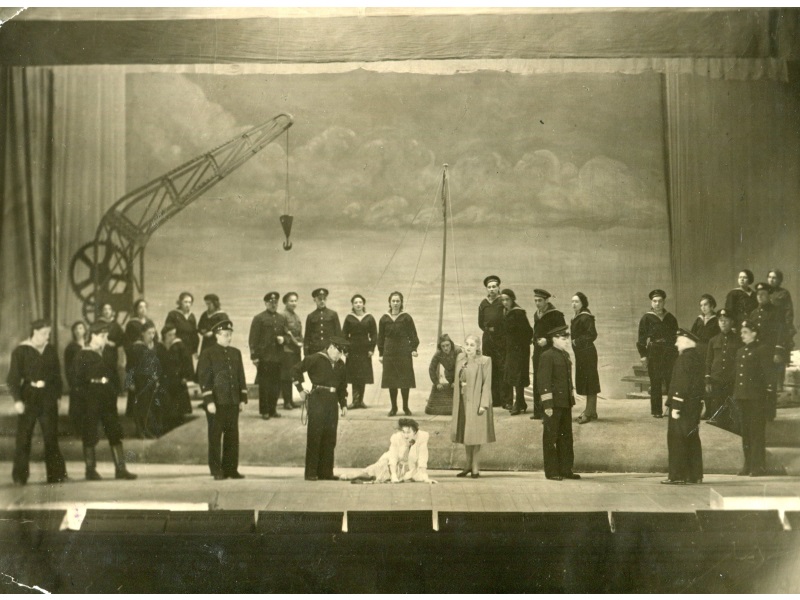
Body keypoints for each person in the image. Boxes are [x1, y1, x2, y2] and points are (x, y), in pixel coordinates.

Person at [7, 319, 68, 485]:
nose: (47, 337)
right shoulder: (21, 350)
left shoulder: (50, 350)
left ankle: (56, 475)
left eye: (48, 333)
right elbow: (12, 379)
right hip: (29, 396)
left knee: (51, 436)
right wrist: (17, 400)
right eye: (44, 333)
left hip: (48, 397)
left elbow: (56, 376)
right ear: (34, 332)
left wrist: (58, 397)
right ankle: (20, 476)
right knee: (24, 437)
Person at [74, 321, 136, 480]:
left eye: (106, 336)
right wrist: (84, 400)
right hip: (91, 396)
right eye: (102, 336)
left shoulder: (107, 352)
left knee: (114, 430)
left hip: (107, 395)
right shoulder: (83, 354)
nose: (105, 339)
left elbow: (113, 373)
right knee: (90, 431)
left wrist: (114, 391)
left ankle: (120, 469)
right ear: (93, 336)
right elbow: (77, 381)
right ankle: (90, 470)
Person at [197, 319, 248, 480]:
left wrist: (242, 399)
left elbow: (240, 376)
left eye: (230, 334)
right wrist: (209, 401)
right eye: (226, 335)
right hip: (216, 403)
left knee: (232, 437)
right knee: (215, 437)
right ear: (217, 335)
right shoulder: (208, 353)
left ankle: (231, 469)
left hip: (232, 401)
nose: (229, 338)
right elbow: (204, 378)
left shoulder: (235, 353)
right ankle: (216, 470)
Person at [293, 335, 350, 481]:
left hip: (332, 401)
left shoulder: (340, 364)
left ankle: (326, 472)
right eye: (338, 352)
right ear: (331, 347)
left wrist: (343, 404)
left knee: (330, 437)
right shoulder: (315, 358)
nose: (339, 356)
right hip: (317, 399)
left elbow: (342, 386)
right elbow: (295, 370)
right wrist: (300, 389)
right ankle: (311, 472)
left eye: (341, 354)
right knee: (315, 435)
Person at [661, 329, 705, 485]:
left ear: (686, 342)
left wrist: (676, 405)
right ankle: (694, 475)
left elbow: (681, 384)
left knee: (677, 439)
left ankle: (677, 475)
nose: (676, 344)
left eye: (678, 340)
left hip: (682, 406)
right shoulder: (696, 357)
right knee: (691, 439)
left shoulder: (684, 359)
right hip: (693, 406)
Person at [538, 325, 581, 481]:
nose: (567, 342)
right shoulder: (547, 356)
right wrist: (547, 404)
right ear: (554, 339)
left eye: (567, 338)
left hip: (565, 402)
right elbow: (544, 381)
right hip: (553, 403)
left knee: (566, 437)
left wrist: (570, 399)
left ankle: (565, 469)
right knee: (551, 437)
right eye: (563, 339)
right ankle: (552, 471)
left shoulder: (564, 355)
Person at [733, 320, 774, 477]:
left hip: (756, 398)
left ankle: (758, 466)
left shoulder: (761, 350)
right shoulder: (740, 351)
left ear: (754, 333)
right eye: (741, 332)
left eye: (745, 332)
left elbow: (767, 373)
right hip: (743, 397)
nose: (742, 335)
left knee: (756, 432)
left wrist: (768, 393)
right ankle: (748, 464)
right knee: (746, 432)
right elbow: (738, 375)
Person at [451, 334, 495, 478]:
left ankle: (475, 466)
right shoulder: (460, 358)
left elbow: (487, 384)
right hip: (462, 401)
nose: (469, 347)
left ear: (478, 347)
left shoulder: (485, 361)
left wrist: (483, 404)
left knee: (476, 435)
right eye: (467, 344)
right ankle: (468, 465)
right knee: (466, 433)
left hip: (477, 402)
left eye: (472, 345)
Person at [350, 418, 437, 484]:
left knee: (379, 477)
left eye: (408, 432)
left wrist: (426, 478)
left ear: (414, 432)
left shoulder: (422, 437)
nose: (405, 435)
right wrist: (394, 475)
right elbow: (393, 457)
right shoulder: (396, 438)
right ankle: (348, 476)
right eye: (403, 432)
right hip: (389, 463)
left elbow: (423, 458)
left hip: (408, 468)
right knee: (369, 473)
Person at [636, 289, 679, 418]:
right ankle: (656, 411)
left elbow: (677, 337)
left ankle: (672, 409)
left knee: (671, 380)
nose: (657, 304)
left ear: (664, 302)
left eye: (660, 301)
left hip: (669, 352)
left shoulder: (670, 318)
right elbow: (641, 339)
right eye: (654, 301)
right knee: (655, 381)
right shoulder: (646, 318)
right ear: (651, 302)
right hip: (654, 352)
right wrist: (643, 355)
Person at [748, 282, 787, 421]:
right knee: (757, 382)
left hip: (770, 353)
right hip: (756, 353)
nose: (760, 297)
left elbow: (782, 332)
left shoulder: (777, 312)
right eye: (758, 294)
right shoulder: (754, 313)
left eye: (763, 294)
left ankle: (769, 413)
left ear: (769, 295)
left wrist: (778, 351)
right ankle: (758, 412)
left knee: (769, 383)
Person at [378, 291, 419, 417]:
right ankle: (394, 408)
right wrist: (381, 353)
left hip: (403, 351)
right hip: (389, 352)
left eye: (398, 301)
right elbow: (380, 338)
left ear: (401, 302)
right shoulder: (384, 319)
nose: (395, 303)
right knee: (392, 381)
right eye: (393, 301)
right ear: (389, 302)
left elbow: (413, 334)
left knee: (404, 381)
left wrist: (413, 348)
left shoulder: (406, 317)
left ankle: (405, 407)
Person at [249, 291, 287, 420]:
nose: (273, 305)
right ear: (266, 303)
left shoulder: (282, 318)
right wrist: (254, 357)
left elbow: (287, 336)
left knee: (276, 385)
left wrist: (284, 339)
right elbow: (253, 339)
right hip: (264, 357)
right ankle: (265, 411)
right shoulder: (259, 318)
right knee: (264, 385)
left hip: (278, 357)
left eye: (275, 302)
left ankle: (273, 409)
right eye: (271, 302)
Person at [531, 289, 566, 420]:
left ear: (547, 300)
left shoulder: (556, 314)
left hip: (551, 352)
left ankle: (550, 411)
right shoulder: (537, 314)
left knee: (550, 380)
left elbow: (562, 334)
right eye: (535, 300)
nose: (537, 303)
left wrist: (548, 340)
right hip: (538, 351)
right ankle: (538, 411)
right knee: (538, 379)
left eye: (540, 300)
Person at [126, 321, 165, 439]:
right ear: (142, 333)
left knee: (151, 405)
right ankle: (141, 430)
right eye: (149, 333)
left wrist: (157, 378)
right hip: (140, 380)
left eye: (153, 333)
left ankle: (149, 429)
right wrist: (130, 382)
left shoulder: (155, 346)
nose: (151, 336)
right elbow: (130, 366)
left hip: (151, 380)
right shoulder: (136, 347)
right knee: (141, 405)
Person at [704, 308, 743, 420]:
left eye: (726, 320)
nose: (723, 323)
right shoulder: (713, 340)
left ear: (732, 322)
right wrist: (708, 380)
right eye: (721, 320)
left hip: (732, 380)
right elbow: (708, 361)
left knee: (731, 411)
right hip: (716, 380)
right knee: (716, 411)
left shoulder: (739, 340)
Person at [500, 289, 533, 416]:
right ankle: (521, 402)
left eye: (507, 299)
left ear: (512, 299)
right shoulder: (505, 311)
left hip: (519, 350)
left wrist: (520, 346)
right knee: (513, 375)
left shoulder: (518, 313)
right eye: (503, 300)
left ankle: (518, 403)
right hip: (510, 349)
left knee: (518, 375)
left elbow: (528, 331)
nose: (505, 302)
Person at [570, 292, 601, 424]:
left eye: (576, 301)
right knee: (587, 381)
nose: (574, 304)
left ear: (583, 303)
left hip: (587, 353)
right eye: (572, 301)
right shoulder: (577, 316)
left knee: (590, 382)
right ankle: (592, 411)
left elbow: (592, 334)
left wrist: (577, 341)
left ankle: (588, 412)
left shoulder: (586, 317)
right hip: (581, 354)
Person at [156, 323, 194, 430]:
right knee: (166, 404)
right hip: (164, 379)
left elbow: (186, 362)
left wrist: (185, 376)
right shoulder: (159, 347)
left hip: (178, 379)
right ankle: (166, 427)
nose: (172, 337)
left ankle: (178, 425)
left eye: (174, 334)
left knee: (178, 405)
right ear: (164, 335)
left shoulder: (179, 345)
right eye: (170, 334)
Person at [479, 275, 509, 409]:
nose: (492, 289)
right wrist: (488, 330)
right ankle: (494, 399)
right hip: (488, 340)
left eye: (494, 287)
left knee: (502, 368)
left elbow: (508, 320)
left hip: (501, 339)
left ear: (498, 288)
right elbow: (480, 322)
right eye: (489, 287)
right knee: (490, 367)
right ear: (486, 289)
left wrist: (498, 331)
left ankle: (506, 400)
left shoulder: (503, 301)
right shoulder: (483, 304)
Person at [343, 294, 377, 410]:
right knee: (354, 374)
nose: (358, 304)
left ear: (363, 304)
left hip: (364, 349)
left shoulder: (369, 318)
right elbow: (344, 335)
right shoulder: (349, 318)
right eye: (356, 302)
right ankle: (354, 401)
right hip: (352, 349)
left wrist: (371, 349)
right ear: (352, 305)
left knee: (362, 374)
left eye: (360, 302)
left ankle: (360, 401)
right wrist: (345, 350)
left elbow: (374, 334)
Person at [123, 298, 157, 417]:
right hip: (136, 355)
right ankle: (133, 413)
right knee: (136, 385)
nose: (143, 310)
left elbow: (155, 337)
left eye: (145, 307)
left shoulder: (150, 322)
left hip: (148, 354)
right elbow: (127, 342)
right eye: (140, 307)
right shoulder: (132, 324)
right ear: (136, 309)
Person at [768, 269, 796, 393]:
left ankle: (779, 387)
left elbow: (788, 313)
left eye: (774, 277)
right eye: (769, 277)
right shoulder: (764, 292)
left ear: (779, 280)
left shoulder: (784, 293)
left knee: (779, 357)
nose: (771, 280)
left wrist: (787, 329)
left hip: (780, 329)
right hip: (767, 330)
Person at [426, 334, 461, 415]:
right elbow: (431, 368)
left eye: (447, 345)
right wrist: (436, 383)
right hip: (449, 376)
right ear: (440, 347)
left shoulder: (458, 351)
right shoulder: (438, 354)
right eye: (443, 346)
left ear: (451, 344)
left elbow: (463, 368)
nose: (446, 348)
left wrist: (457, 381)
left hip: (461, 374)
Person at [280, 292, 302, 411]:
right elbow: (286, 333)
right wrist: (296, 343)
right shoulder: (283, 316)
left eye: (295, 301)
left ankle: (291, 400)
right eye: (291, 301)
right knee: (286, 377)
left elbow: (299, 333)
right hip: (287, 350)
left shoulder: (296, 316)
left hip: (295, 350)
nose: (294, 303)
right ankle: (286, 402)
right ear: (285, 302)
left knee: (293, 375)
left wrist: (301, 342)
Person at [64, 320, 87, 436]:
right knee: (77, 406)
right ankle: (77, 430)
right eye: (76, 329)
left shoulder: (89, 345)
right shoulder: (71, 348)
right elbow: (68, 367)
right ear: (73, 331)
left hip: (88, 379)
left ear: (85, 330)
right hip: (77, 380)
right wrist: (72, 382)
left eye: (81, 328)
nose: (78, 331)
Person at [304, 288, 341, 355]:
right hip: (314, 350)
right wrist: (306, 352)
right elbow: (307, 336)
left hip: (330, 350)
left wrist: (338, 349)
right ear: (315, 300)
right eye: (320, 299)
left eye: (324, 299)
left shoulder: (333, 314)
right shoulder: (311, 316)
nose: (322, 301)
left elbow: (338, 333)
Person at [165, 292, 199, 358]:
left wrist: (195, 350)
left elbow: (194, 334)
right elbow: (168, 332)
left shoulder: (191, 316)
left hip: (188, 349)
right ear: (180, 302)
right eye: (185, 302)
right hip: (176, 348)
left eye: (189, 302)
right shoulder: (173, 314)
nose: (187, 304)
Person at [690, 294, 720, 359]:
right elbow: (692, 334)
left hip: (711, 349)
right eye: (701, 305)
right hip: (698, 348)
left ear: (712, 306)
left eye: (705, 305)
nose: (703, 307)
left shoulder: (717, 320)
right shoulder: (699, 319)